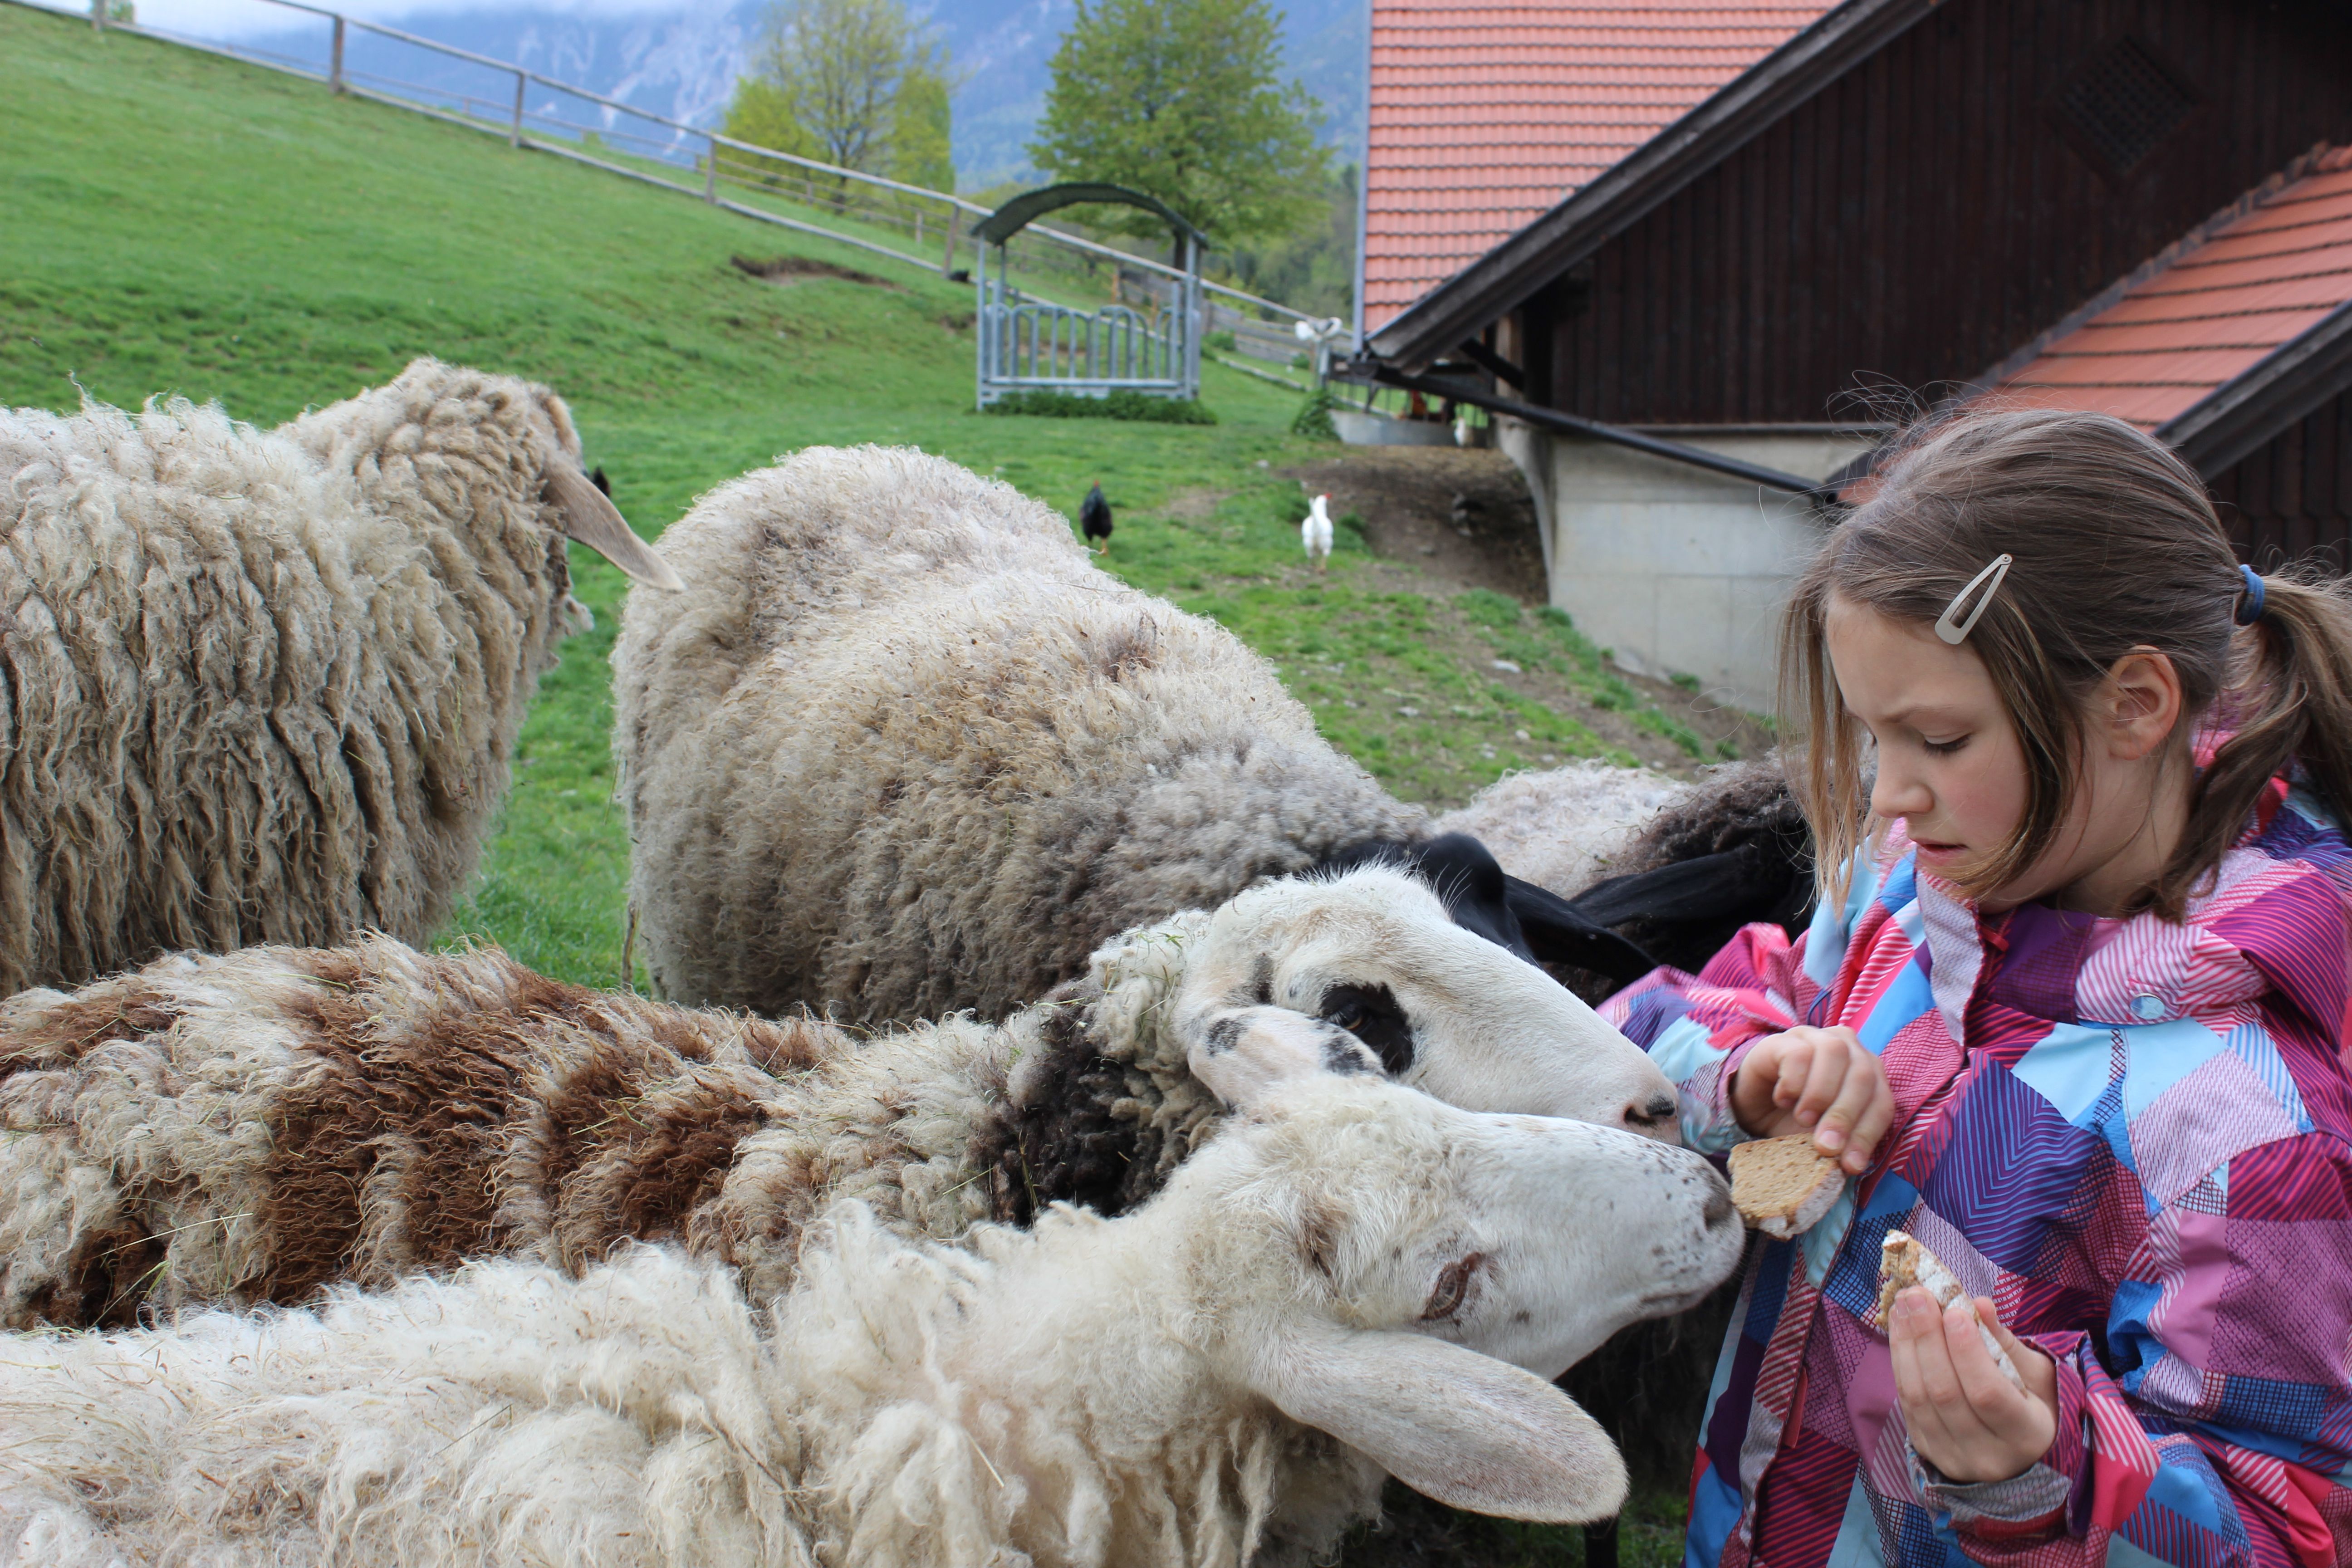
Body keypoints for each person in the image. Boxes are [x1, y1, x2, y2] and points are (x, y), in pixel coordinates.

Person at [1604, 408, 2352, 1568]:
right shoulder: (1914, 897)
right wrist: (1753, 1072)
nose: (1892, 792)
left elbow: (2293, 1526)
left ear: (2137, 705)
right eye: (1872, 737)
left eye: (1940, 740)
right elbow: (1653, 1028)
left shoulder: (2242, 1122)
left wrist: (2048, 1467)